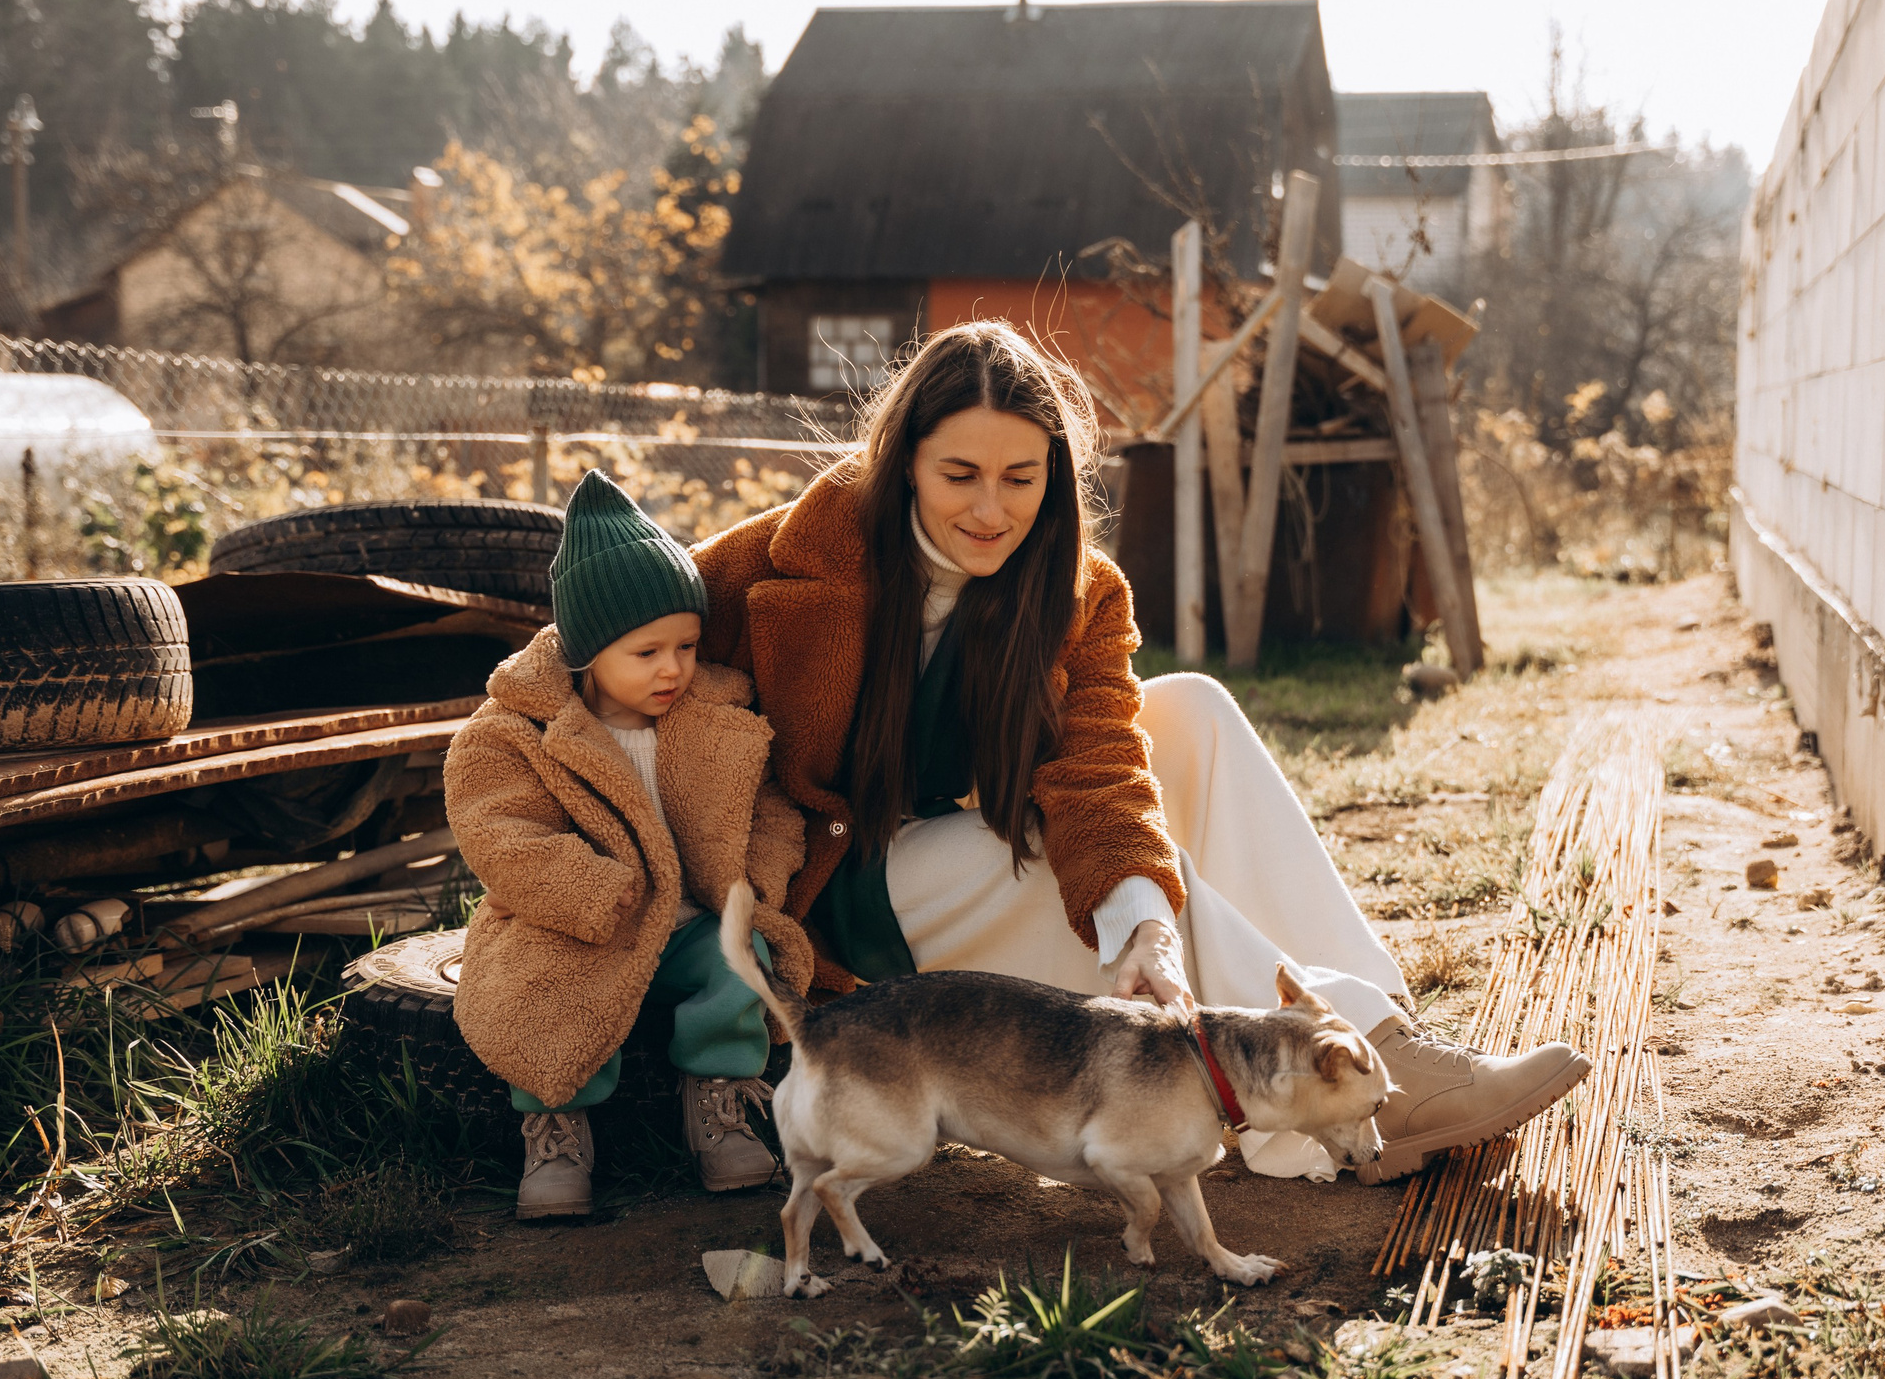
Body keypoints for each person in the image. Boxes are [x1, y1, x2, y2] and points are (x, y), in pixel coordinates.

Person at [693, 320, 1587, 1183]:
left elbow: (1100, 765)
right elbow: (625, 643)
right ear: (903, 463)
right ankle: (1352, 1084)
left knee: (1193, 709)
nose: (992, 510)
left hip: (948, 840)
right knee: (1041, 848)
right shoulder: (777, 561)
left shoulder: (1078, 588)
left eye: (1021, 478)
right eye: (959, 474)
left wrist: (1146, 923)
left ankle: (1374, 1036)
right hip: (835, 884)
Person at [446, 470, 814, 1217]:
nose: (674, 668)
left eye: (686, 645)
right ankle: (556, 1126)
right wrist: (585, 887)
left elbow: (770, 807)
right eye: (646, 652)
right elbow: (498, 831)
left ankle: (719, 1100)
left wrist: (755, 879)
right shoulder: (515, 732)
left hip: (690, 922)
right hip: (581, 920)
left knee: (741, 960)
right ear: (588, 651)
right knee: (542, 991)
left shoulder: (717, 717)